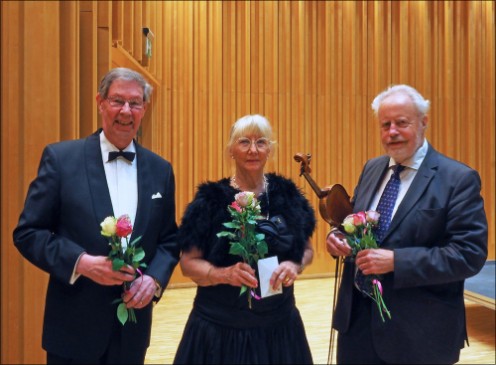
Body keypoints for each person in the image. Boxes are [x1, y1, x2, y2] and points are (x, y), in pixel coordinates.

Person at [13, 67, 180, 364]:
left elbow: (169, 240)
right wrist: (81, 262)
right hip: (73, 331)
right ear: (100, 102)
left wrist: (154, 280)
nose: (126, 111)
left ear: (144, 108)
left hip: (132, 331)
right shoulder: (61, 159)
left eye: (135, 102)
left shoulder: (161, 170)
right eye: (117, 101)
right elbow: (28, 233)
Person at [326, 84, 488, 364]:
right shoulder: (372, 168)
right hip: (358, 328)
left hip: (419, 333)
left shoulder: (457, 179)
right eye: (385, 124)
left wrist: (397, 261)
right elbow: (358, 222)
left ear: (424, 122)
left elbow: (468, 255)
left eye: (402, 123)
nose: (392, 132)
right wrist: (339, 236)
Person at [173, 114, 316, 364]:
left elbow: (306, 250)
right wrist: (223, 274)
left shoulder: (287, 194)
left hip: (279, 328)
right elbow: (188, 263)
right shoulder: (209, 200)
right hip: (220, 330)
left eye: (261, 142)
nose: (253, 150)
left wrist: (295, 265)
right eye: (244, 142)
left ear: (270, 149)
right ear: (231, 149)